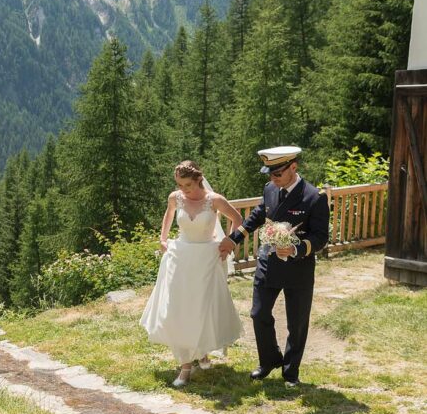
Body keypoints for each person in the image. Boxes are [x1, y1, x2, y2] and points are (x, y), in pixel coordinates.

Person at [218, 146, 330, 387]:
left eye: (277, 174)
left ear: (293, 167)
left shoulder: (314, 197)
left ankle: (291, 372)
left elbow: (320, 237)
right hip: (268, 262)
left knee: (296, 322)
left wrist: (296, 249)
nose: (272, 179)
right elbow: (258, 215)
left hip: (298, 268)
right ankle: (269, 360)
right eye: (269, 174)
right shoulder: (270, 189)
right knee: (258, 313)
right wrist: (234, 238)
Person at [141, 161, 245, 387]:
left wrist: (228, 242)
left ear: (198, 179)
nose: (183, 189)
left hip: (207, 258)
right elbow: (168, 215)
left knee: (201, 307)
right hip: (179, 257)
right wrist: (163, 238)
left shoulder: (215, 200)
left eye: (187, 184)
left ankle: (202, 350)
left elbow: (238, 220)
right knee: (179, 308)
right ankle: (185, 366)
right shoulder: (175, 198)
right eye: (179, 184)